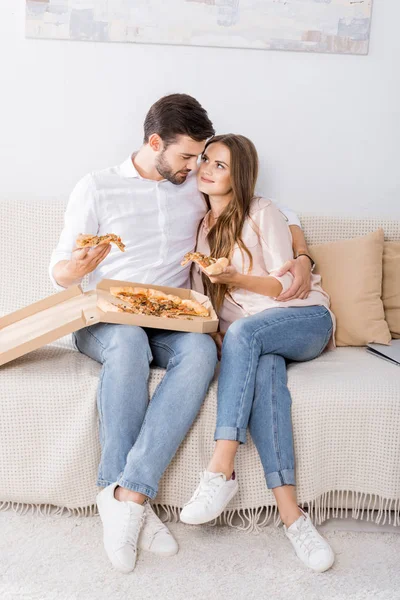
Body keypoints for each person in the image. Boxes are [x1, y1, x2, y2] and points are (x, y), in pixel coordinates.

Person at [49, 95, 314, 574]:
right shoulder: (97, 187)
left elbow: (270, 205)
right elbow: (58, 272)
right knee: (128, 342)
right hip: (106, 320)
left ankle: (128, 495)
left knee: (201, 353)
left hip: (173, 320)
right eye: (187, 157)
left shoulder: (192, 182)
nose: (195, 167)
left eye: (201, 158)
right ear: (155, 143)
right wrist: (75, 268)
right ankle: (122, 496)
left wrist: (302, 255)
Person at [179, 134, 336, 573]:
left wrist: (235, 279)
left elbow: (286, 286)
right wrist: (212, 333)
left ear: (240, 175)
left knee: (246, 334)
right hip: (257, 340)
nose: (207, 168)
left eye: (220, 165)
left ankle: (220, 470)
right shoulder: (201, 230)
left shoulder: (262, 212)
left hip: (303, 320)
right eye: (205, 160)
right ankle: (294, 517)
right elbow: (202, 302)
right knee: (263, 369)